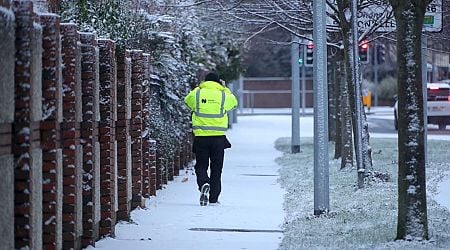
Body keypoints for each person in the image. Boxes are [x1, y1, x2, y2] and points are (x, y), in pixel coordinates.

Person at [184, 72, 238, 206]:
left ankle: (204, 183)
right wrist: (224, 88)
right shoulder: (224, 94)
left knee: (201, 166)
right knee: (217, 168)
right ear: (219, 82)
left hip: (201, 137)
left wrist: (199, 88)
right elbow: (234, 103)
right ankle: (213, 198)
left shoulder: (197, 93)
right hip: (218, 138)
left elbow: (187, 101)